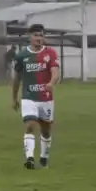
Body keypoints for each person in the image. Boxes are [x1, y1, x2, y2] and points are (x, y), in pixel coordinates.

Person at [12, 24, 60, 169]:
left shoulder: (50, 53)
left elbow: (55, 72)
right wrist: (14, 98)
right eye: (36, 35)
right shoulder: (21, 56)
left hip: (45, 98)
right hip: (28, 97)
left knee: (46, 130)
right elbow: (16, 78)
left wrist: (51, 83)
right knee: (30, 125)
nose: (39, 38)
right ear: (30, 37)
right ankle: (30, 158)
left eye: (41, 35)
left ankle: (44, 157)